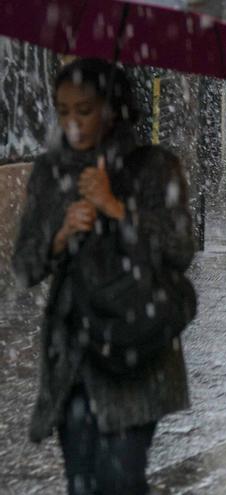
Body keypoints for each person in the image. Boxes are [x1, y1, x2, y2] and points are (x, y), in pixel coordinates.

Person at [12, 58, 195, 494]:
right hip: (75, 354)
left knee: (121, 480)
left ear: (112, 110)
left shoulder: (154, 167)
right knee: (82, 482)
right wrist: (59, 236)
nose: (72, 124)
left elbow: (179, 249)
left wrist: (116, 208)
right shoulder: (52, 172)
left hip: (137, 348)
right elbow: (25, 266)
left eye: (85, 110)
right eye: (63, 111)